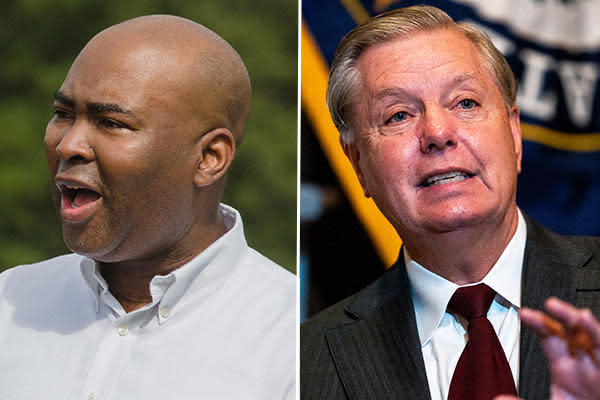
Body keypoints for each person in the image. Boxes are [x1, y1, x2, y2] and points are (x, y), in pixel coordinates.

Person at [300, 5, 600, 400]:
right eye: (399, 115)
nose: (438, 133)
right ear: (358, 164)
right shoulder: (305, 364)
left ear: (514, 134)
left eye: (465, 103)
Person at [0, 15, 295, 399]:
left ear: (209, 157)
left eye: (110, 122)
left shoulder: (290, 340)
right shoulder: (10, 303)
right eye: (63, 114)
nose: (68, 144)